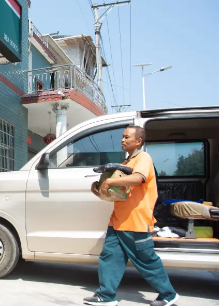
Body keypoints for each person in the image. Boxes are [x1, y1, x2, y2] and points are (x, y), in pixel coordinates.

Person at [83, 126, 179, 306]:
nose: (123, 140)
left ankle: (168, 295)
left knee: (146, 260)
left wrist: (110, 181)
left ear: (138, 141)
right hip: (118, 220)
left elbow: (138, 178)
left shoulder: (143, 158)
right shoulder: (126, 163)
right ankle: (106, 296)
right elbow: (120, 193)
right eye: (122, 137)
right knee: (110, 257)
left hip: (136, 221)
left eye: (127, 137)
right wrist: (100, 189)